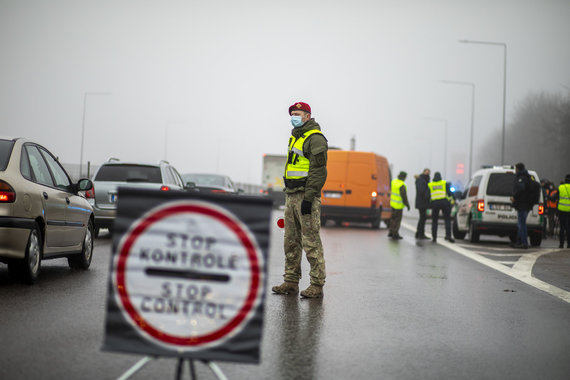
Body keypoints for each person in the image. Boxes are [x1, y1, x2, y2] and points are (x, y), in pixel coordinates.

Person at [272, 101, 328, 298]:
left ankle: (317, 284)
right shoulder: (294, 137)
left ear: (307, 116)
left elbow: (318, 171)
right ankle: (291, 281)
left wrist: (310, 197)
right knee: (291, 241)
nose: (294, 116)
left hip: (306, 196)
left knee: (310, 241)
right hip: (291, 194)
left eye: (297, 113)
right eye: (292, 113)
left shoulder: (316, 138)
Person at [511, 162, 533, 249]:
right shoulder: (528, 177)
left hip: (522, 204)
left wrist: (514, 196)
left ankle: (523, 243)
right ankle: (519, 242)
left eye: (516, 169)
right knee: (521, 224)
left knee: (522, 224)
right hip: (526, 204)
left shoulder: (521, 178)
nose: (515, 170)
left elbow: (521, 188)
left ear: (518, 169)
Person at [428, 172, 454, 243]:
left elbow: (427, 195)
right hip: (444, 203)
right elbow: (450, 193)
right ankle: (448, 235)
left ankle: (434, 237)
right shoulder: (444, 183)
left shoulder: (430, 184)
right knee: (447, 220)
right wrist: (451, 202)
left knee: (434, 221)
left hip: (435, 204)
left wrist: (429, 204)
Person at [388, 171, 410, 240]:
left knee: (392, 219)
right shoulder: (401, 185)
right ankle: (395, 233)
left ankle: (391, 231)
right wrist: (407, 204)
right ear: (404, 177)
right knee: (397, 220)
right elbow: (404, 196)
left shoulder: (394, 182)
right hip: (398, 205)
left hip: (392, 204)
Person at [414, 168, 431, 239]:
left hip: (422, 202)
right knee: (423, 218)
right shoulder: (422, 180)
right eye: (426, 172)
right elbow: (422, 191)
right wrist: (427, 195)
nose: (427, 173)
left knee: (422, 218)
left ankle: (419, 233)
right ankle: (420, 234)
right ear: (423, 172)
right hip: (422, 202)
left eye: (428, 172)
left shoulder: (423, 180)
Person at [557, 174, 570, 249]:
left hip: (561, 210)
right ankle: (569, 244)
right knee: (569, 227)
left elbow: (554, 197)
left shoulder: (561, 187)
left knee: (562, 227)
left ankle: (561, 244)